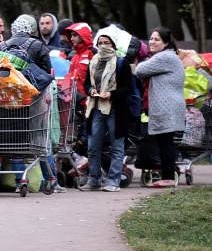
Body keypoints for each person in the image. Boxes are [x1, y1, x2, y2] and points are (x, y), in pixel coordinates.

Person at [80, 33, 133, 192]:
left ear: (114, 45)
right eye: (100, 42)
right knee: (92, 146)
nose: (103, 45)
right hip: (96, 108)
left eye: (107, 43)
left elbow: (128, 88)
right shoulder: (93, 62)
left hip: (116, 109)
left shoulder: (121, 63)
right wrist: (91, 91)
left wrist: (112, 94)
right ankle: (94, 180)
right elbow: (86, 84)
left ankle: (113, 181)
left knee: (117, 146)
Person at [135, 27, 185, 188]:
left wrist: (144, 63)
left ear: (166, 43)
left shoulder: (164, 56)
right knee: (165, 142)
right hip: (169, 105)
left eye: (156, 39)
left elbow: (140, 70)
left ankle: (168, 178)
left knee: (165, 142)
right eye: (151, 38)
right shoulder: (167, 56)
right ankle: (168, 176)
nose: (152, 42)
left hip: (167, 106)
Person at [65, 22, 96, 106]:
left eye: (75, 35)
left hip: (89, 99)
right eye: (71, 35)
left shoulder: (92, 52)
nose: (71, 38)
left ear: (83, 36)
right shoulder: (75, 55)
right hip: (75, 99)